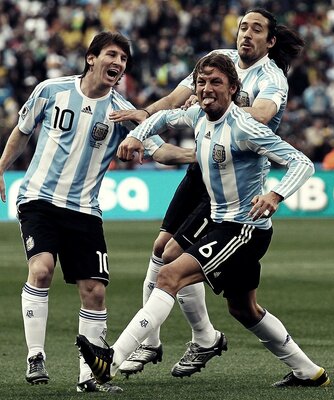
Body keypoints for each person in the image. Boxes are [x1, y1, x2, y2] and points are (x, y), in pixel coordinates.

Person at [76, 52, 330, 388]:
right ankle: (308, 371)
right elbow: (165, 116)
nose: (206, 88)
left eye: (215, 82)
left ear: (232, 88)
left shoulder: (244, 127)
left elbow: (302, 163)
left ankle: (111, 359)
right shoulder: (198, 115)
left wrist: (274, 195)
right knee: (244, 309)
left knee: (169, 274)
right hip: (222, 224)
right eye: (201, 82)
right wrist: (136, 135)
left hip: (243, 229)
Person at [109, 8, 305, 378]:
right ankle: (171, 341)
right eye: (243, 26)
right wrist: (143, 115)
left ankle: (196, 339)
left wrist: (212, 105)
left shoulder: (272, 78)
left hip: (234, 175)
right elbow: (176, 98)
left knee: (171, 258)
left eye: (256, 29)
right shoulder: (222, 60)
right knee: (161, 249)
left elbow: (261, 115)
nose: (246, 34)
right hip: (203, 167)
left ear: (270, 41)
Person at [0, 32, 195, 393]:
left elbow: (161, 152)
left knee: (95, 291)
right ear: (92, 58)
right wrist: (0, 167)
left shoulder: (124, 112)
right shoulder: (51, 90)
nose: (118, 63)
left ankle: (89, 376)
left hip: (85, 210)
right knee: (41, 269)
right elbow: (22, 131)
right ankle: (36, 355)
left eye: (123, 59)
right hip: (39, 199)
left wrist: (202, 154)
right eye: (112, 54)